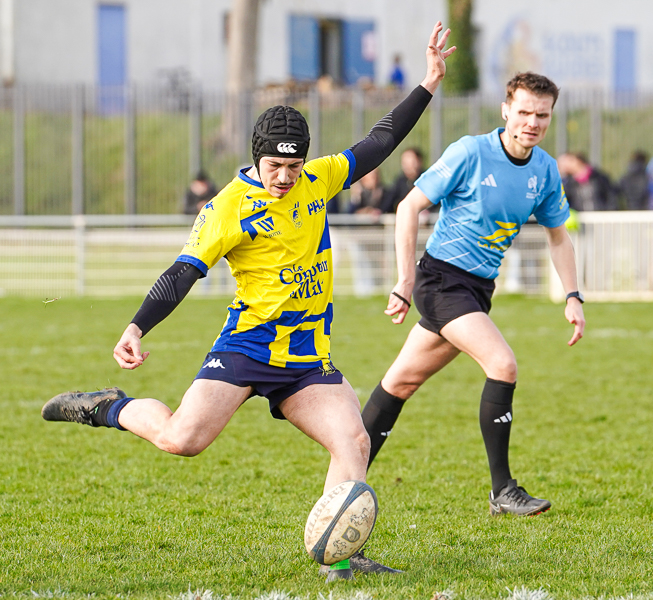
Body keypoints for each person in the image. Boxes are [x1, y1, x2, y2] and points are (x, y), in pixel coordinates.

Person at [40, 22, 455, 582]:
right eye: (275, 167)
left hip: (306, 357)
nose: (285, 177)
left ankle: (342, 555)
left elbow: (379, 140)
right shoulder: (227, 207)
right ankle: (108, 406)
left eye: (294, 166)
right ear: (256, 159)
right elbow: (182, 273)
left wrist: (428, 81)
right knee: (181, 440)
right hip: (247, 345)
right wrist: (138, 326)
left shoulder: (319, 178)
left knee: (353, 438)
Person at [360, 72, 586, 517]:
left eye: (541, 115)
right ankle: (503, 491)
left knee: (400, 383)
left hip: (477, 290)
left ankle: (346, 476)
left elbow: (559, 237)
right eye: (523, 112)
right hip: (441, 281)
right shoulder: (470, 152)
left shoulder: (543, 170)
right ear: (506, 111)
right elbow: (409, 207)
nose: (532, 122)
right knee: (502, 364)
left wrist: (573, 295)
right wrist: (404, 282)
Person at [381, 147, 425, 213]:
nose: (407, 166)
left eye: (411, 162)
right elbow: (390, 200)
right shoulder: (400, 181)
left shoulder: (425, 179)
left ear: (419, 162)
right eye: (405, 163)